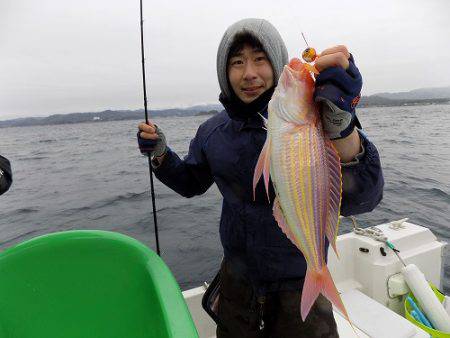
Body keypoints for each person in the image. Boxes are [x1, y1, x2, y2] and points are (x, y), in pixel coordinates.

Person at [137, 18, 384, 338]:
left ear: (277, 63)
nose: (249, 72)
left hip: (298, 284)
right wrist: (160, 155)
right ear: (224, 74)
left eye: (260, 58)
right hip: (236, 284)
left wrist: (343, 127)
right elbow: (191, 182)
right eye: (237, 62)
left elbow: (363, 197)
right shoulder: (212, 131)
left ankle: (318, 276)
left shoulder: (320, 119)